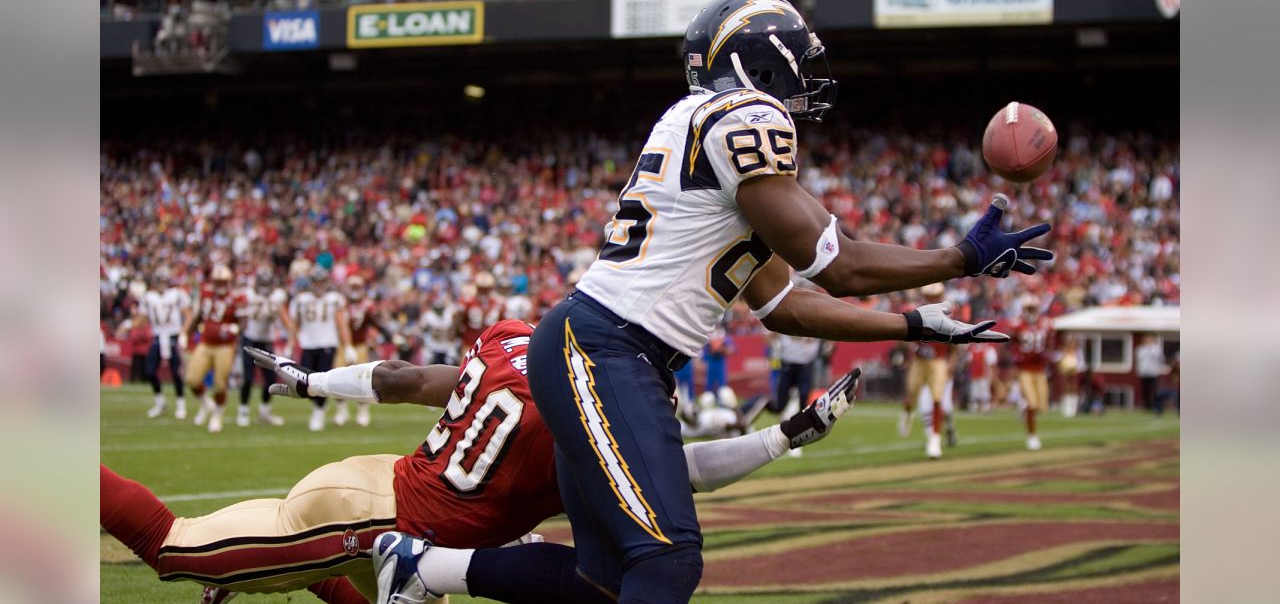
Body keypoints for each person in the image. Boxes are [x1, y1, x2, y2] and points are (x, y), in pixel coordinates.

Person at [379, 0, 1052, 604]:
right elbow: (838, 266)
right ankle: (417, 568)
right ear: (761, 61)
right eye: (799, 58)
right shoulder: (746, 116)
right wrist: (959, 257)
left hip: (602, 350)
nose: (809, 76)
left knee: (603, 582)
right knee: (667, 559)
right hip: (605, 349)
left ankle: (422, 569)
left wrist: (912, 324)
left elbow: (784, 302)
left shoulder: (706, 126)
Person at [100, 320, 858, 604]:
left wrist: (312, 380)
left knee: (373, 586)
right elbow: (679, 472)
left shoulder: (514, 340)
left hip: (379, 484)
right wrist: (779, 439)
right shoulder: (591, 415)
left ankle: (285, 568)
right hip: (379, 521)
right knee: (175, 549)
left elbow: (406, 380)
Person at [280, 267, 354, 432]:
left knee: (321, 382)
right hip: (308, 345)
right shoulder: (301, 300)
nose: (319, 285)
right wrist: (290, 344)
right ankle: (320, 407)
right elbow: (295, 325)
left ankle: (318, 412)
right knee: (305, 383)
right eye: (316, 282)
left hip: (328, 344)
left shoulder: (334, 299)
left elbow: (341, 323)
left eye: (322, 282)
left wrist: (348, 345)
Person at [897, 284, 959, 458]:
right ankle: (908, 413)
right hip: (920, 361)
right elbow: (902, 336)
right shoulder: (916, 312)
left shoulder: (949, 313)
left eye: (935, 296)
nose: (932, 299)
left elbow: (955, 341)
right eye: (929, 296)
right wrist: (910, 345)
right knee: (911, 394)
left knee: (937, 399)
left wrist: (952, 362)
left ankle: (935, 440)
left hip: (938, 360)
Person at [182, 265, 245, 433]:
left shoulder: (237, 297)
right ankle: (205, 403)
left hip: (225, 346)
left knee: (219, 384)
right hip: (206, 342)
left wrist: (233, 329)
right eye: (217, 281)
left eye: (222, 281)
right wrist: (186, 335)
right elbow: (197, 317)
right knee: (191, 379)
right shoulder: (205, 294)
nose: (220, 285)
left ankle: (218, 414)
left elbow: (243, 322)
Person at [334, 275, 392, 427]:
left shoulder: (367, 305)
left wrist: (387, 334)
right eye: (352, 288)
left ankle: (363, 412)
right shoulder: (341, 304)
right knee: (337, 378)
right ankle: (342, 411)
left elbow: (376, 322)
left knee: (363, 381)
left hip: (360, 345)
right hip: (342, 346)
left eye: (356, 288)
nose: (354, 291)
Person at [138, 268, 192, 419]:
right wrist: (128, 325)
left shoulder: (177, 294)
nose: (161, 284)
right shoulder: (148, 297)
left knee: (176, 373)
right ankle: (160, 402)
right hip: (157, 336)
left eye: (163, 281)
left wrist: (183, 332)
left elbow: (188, 314)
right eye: (159, 281)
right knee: (149, 372)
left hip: (173, 336)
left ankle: (181, 405)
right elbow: (142, 318)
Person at [237, 271, 287, 427]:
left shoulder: (277, 296)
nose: (265, 288)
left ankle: (264, 411)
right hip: (250, 340)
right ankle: (243, 411)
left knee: (271, 380)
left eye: (267, 284)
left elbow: (281, 316)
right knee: (248, 378)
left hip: (267, 342)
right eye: (263, 284)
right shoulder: (248, 295)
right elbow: (242, 318)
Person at [1009, 294, 1055, 450]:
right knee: (1033, 404)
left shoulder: (1045, 324)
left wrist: (1048, 356)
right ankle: (1032, 436)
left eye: (1033, 308)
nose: (1031, 311)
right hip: (1025, 370)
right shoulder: (1017, 324)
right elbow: (1010, 344)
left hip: (1040, 370)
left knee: (1042, 406)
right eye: (1028, 308)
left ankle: (1023, 405)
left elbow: (1050, 343)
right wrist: (1017, 358)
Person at [1135, 333, 1167, 412]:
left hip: (1154, 372)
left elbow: (1161, 359)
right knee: (1145, 390)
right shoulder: (1140, 349)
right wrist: (1138, 370)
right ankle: (1147, 406)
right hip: (1144, 372)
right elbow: (1138, 361)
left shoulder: (1156, 349)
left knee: (1155, 390)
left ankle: (1156, 406)